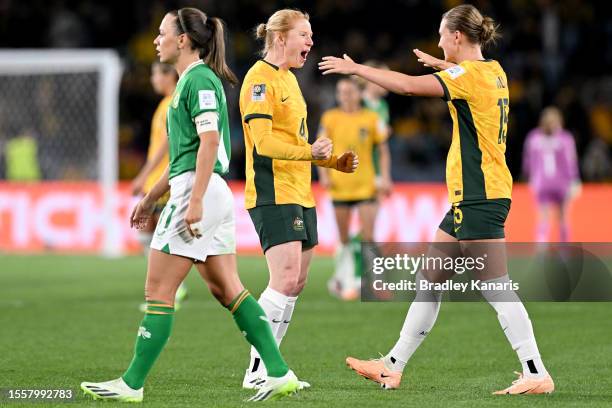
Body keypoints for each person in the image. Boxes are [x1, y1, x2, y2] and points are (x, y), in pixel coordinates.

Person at [319, 4, 554, 395]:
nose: (439, 40)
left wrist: (358, 69)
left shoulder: (467, 76)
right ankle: (392, 366)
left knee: (496, 286)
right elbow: (467, 76)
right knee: (429, 279)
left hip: (480, 195)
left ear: (458, 37)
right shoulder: (493, 70)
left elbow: (410, 87)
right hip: (476, 195)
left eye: (443, 35)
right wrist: (441, 64)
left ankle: (536, 372)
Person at [81, 7, 302, 402]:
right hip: (204, 189)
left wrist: (194, 200)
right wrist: (150, 196)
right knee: (229, 291)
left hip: (199, 192)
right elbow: (183, 155)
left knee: (158, 291)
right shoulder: (189, 81)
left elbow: (210, 142)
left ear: (183, 40)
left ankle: (131, 384)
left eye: (162, 33)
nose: (156, 40)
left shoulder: (198, 80)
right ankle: (279, 371)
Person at [239, 9, 358, 390]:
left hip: (299, 192)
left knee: (297, 282)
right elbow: (264, 142)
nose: (310, 42)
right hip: (273, 192)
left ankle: (268, 367)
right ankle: (260, 370)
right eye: (304, 35)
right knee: (283, 278)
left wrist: (332, 162)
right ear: (280, 38)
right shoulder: (259, 80)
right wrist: (310, 154)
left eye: (311, 35)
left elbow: (294, 141)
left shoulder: (289, 79)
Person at [318, 78, 390, 300]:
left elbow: (383, 150)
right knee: (344, 239)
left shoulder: (371, 118)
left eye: (349, 92)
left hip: (365, 185)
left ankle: (377, 282)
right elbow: (320, 148)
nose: (345, 96)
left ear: (359, 94)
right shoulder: (330, 118)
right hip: (339, 186)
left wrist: (385, 177)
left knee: (369, 236)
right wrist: (323, 174)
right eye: (341, 92)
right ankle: (346, 281)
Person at [131, 62, 188, 310]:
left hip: (165, 181)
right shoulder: (164, 104)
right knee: (147, 232)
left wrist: (143, 175)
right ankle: (170, 287)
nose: (153, 79)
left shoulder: (172, 103)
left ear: (167, 75)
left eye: (155, 73)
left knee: (161, 236)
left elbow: (165, 144)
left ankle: (171, 289)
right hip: (157, 180)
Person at [523, 107, 580, 242]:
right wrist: (575, 180)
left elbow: (527, 162)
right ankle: (564, 251)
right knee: (563, 218)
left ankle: (541, 249)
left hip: (541, 183)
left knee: (543, 217)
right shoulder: (565, 138)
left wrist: (530, 177)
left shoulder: (533, 137)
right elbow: (570, 161)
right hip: (561, 183)